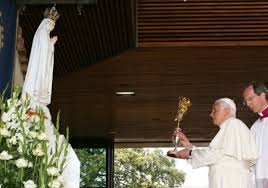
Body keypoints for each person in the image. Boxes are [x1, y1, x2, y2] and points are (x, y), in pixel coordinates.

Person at [168, 98, 258, 188]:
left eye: (214, 110)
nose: (211, 114)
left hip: (232, 182)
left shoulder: (234, 124)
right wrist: (189, 146)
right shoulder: (229, 127)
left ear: (226, 111)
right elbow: (218, 157)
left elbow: (217, 154)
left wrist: (191, 153)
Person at [22, 7, 59, 114]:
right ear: (47, 22)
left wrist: (51, 44)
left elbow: (46, 51)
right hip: (39, 67)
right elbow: (43, 52)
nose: (53, 27)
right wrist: (51, 44)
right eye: (52, 24)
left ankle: (37, 104)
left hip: (43, 65)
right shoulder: (42, 32)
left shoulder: (45, 34)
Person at [243, 81, 268, 188]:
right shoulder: (254, 127)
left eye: (250, 99)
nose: (248, 104)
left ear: (262, 95)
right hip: (259, 179)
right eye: (245, 101)